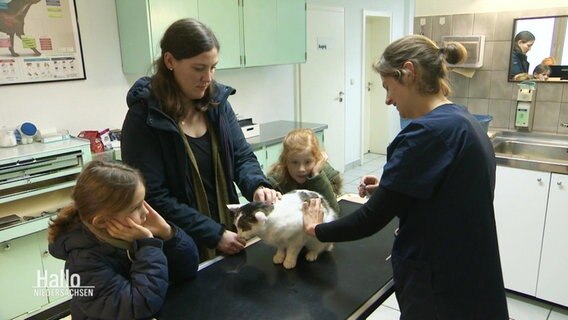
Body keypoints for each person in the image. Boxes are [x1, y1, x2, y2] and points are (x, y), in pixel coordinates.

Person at [302, 34, 509, 319]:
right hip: (472, 277)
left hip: (439, 289)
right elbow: (450, 196)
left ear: (409, 73)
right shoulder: (464, 122)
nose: (387, 100)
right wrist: (392, 188)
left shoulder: (425, 134)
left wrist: (316, 229)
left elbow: (368, 221)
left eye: (388, 87)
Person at [121, 18, 280, 261]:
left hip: (229, 233)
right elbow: (153, 197)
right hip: (177, 247)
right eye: (198, 68)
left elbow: (241, 156)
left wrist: (257, 185)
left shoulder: (217, 103)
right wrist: (213, 234)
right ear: (170, 61)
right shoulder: (143, 119)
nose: (207, 78)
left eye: (213, 67)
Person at [48, 160, 199, 319]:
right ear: (102, 221)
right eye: (136, 207)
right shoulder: (83, 264)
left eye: (143, 202)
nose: (146, 213)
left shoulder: (134, 231)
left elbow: (188, 270)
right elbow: (138, 306)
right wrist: (148, 246)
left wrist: (167, 233)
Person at [267, 128, 343, 214]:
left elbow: (333, 212)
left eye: (308, 162)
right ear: (285, 162)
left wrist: (316, 175)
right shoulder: (277, 182)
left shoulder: (326, 175)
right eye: (295, 162)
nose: (301, 169)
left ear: (317, 160)